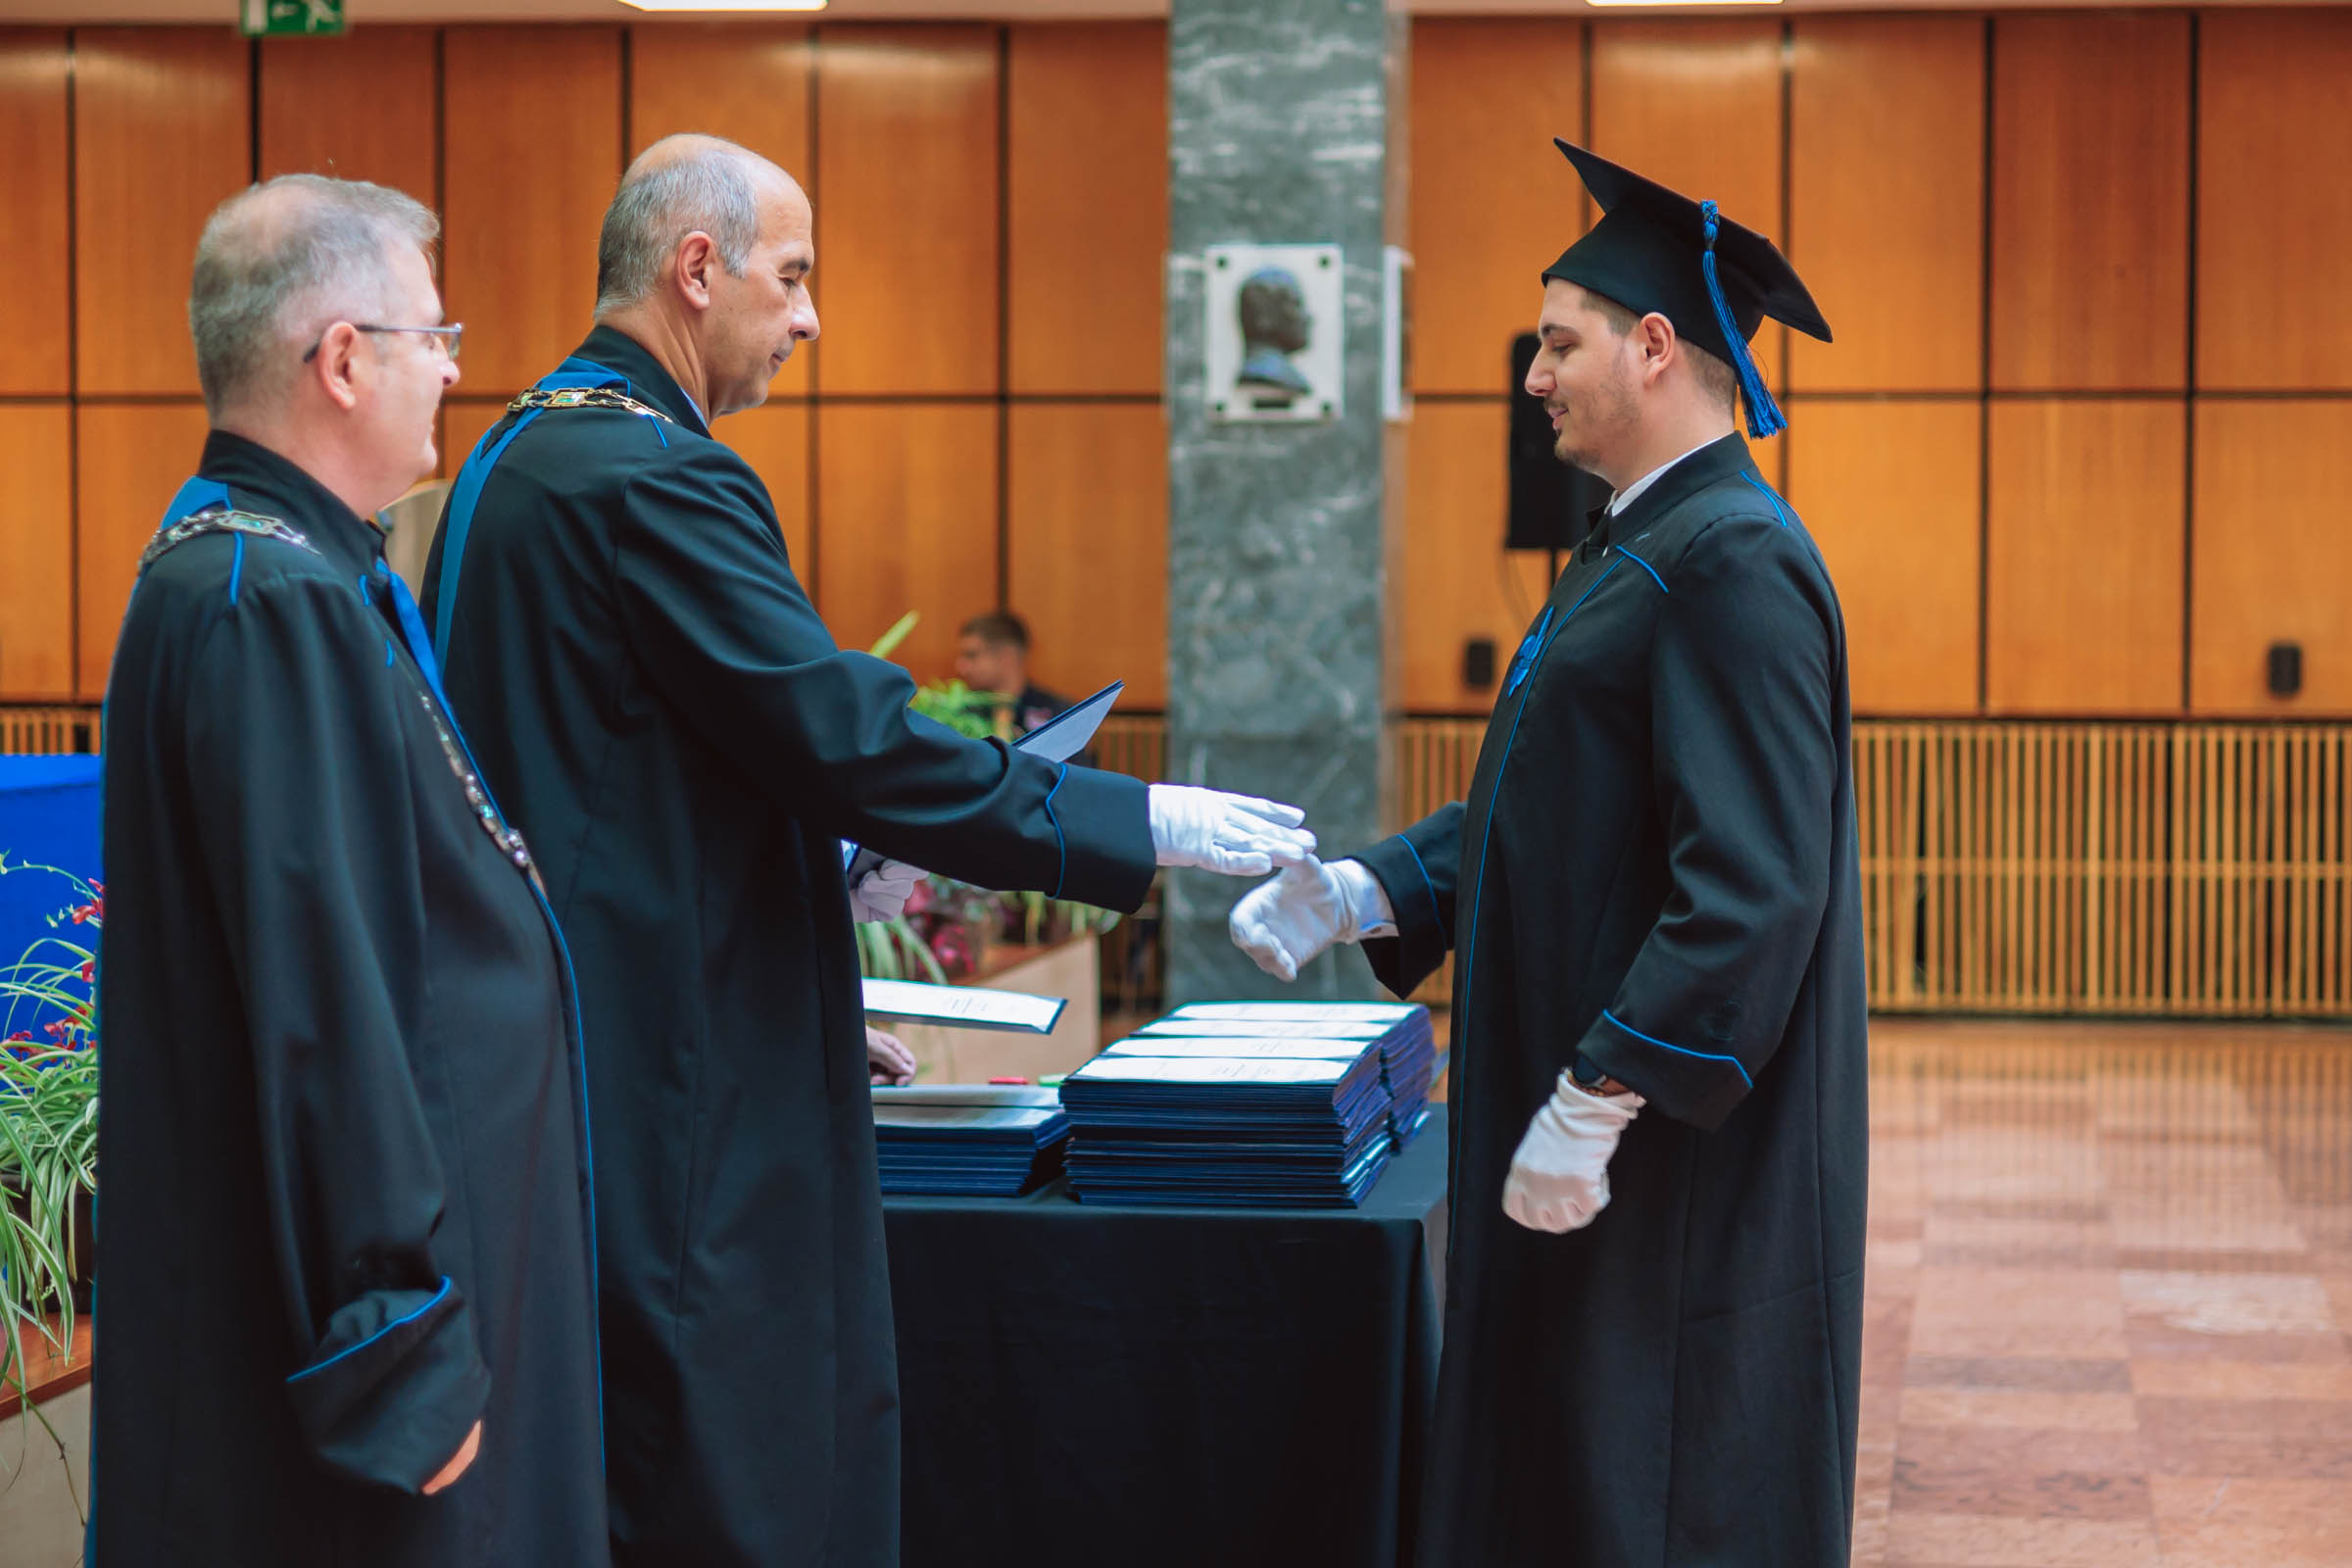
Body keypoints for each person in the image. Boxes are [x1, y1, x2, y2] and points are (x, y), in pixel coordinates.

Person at [418, 133, 1312, 1566]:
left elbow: (630, 780)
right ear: (695, 269)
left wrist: (812, 921)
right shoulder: (654, 477)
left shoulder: (516, 453)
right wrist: (1136, 818)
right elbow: (842, 733)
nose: (812, 318)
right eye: (792, 277)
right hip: (670, 1097)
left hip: (584, 1054)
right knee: (727, 1467)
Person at [1230, 140, 1868, 1565]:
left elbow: (1754, 887)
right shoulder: (1637, 546)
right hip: (1586, 1114)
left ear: (1655, 347)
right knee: (1565, 1463)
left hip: (1668, 1163)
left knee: (1653, 1475)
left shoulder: (1732, 560)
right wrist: (1371, 889)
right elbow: (1559, 803)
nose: (1533, 376)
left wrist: (1600, 1095)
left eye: (1557, 343)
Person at [91, 175, 607, 1565]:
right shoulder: (266, 597)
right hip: (378, 1360)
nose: (452, 368)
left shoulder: (292, 570)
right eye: (434, 335)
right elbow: (328, 992)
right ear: (342, 359)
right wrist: (394, 1334)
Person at [955, 610, 1075, 743]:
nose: (961, 667)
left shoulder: (1060, 715)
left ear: (1006, 657)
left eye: (972, 655)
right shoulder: (962, 715)